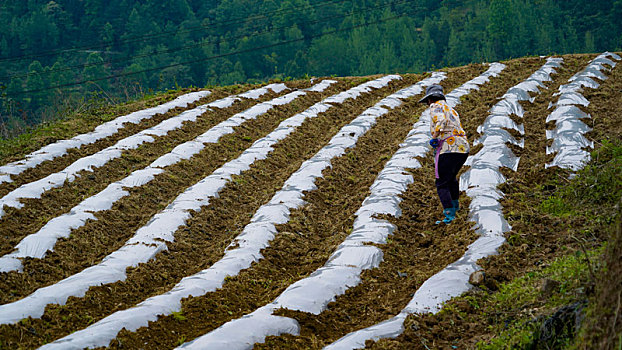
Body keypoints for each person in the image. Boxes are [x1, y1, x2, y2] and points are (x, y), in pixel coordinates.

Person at [419, 84, 470, 224]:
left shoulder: (435, 107)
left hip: (449, 148)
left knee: (441, 182)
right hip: (462, 148)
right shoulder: (451, 109)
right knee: (451, 177)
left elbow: (440, 121)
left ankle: (449, 214)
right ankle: (455, 206)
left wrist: (435, 137)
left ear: (430, 99)